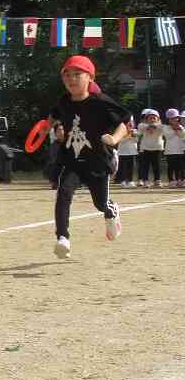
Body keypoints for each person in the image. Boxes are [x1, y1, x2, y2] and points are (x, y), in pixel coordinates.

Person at [41, 55, 129, 259]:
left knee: (101, 204)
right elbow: (54, 116)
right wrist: (50, 128)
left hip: (98, 160)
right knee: (63, 193)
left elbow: (124, 123)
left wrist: (114, 139)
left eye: (77, 74)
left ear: (90, 77)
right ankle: (62, 238)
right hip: (71, 159)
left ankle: (111, 209)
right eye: (67, 75)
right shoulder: (63, 101)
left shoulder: (101, 102)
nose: (71, 79)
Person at [137, 108, 164, 187]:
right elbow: (140, 127)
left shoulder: (161, 126)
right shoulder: (142, 125)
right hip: (146, 148)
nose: (152, 119)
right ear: (146, 119)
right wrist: (149, 126)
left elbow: (160, 127)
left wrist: (153, 126)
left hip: (157, 148)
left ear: (158, 119)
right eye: (150, 118)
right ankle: (145, 181)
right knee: (146, 166)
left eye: (154, 117)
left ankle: (157, 180)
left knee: (157, 166)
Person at [162, 108, 185, 187]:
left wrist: (179, 129)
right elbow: (168, 136)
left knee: (180, 166)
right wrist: (174, 130)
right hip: (169, 151)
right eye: (172, 118)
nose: (175, 119)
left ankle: (180, 180)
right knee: (171, 166)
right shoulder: (165, 127)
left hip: (180, 150)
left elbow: (182, 136)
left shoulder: (181, 127)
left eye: (176, 118)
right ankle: (171, 180)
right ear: (168, 119)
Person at [115, 119, 138, 188]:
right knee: (123, 167)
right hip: (122, 152)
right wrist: (128, 135)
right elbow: (120, 141)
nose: (130, 125)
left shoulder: (135, 131)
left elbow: (136, 141)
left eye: (131, 123)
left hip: (132, 152)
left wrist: (133, 135)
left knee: (131, 167)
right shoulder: (120, 131)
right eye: (128, 123)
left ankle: (130, 181)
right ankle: (123, 181)